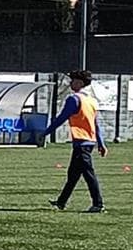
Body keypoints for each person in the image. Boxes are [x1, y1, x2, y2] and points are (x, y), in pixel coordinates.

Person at [44, 69, 107, 213]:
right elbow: (96, 124)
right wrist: (101, 143)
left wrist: (46, 132)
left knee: (89, 174)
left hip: (81, 143)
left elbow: (61, 118)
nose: (70, 83)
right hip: (89, 142)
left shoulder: (74, 99)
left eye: (72, 80)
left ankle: (98, 204)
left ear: (79, 82)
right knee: (73, 174)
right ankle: (61, 202)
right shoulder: (91, 101)